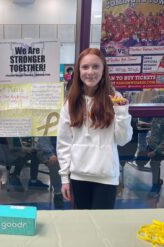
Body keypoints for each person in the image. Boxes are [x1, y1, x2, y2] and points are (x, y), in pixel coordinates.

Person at [56, 48, 133, 209]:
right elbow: (64, 143)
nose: (90, 72)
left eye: (95, 66)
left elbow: (123, 139)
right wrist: (64, 178)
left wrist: (121, 111)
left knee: (102, 227)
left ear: (103, 70)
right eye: (85, 67)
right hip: (78, 176)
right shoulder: (71, 102)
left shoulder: (114, 98)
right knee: (82, 226)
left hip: (106, 177)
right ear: (78, 71)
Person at [36, 136, 64, 208]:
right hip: (46, 151)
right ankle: (58, 193)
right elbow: (43, 142)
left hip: (62, 152)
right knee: (54, 163)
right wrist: (50, 154)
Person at [146, 94, 164, 197]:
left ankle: (155, 186)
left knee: (155, 164)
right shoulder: (156, 115)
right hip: (152, 145)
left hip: (158, 149)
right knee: (142, 161)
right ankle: (157, 181)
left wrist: (155, 151)